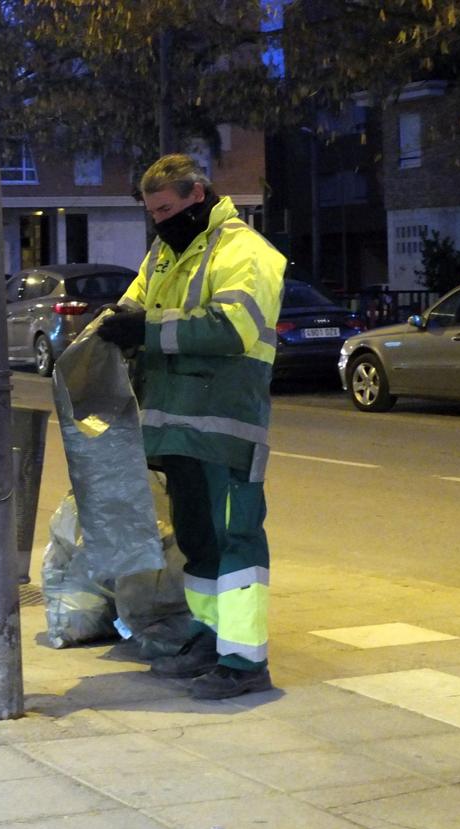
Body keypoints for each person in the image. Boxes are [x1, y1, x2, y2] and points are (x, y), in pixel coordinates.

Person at [97, 154, 286, 699]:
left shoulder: (245, 251)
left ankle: (246, 663)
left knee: (236, 540)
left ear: (197, 197)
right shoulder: (164, 254)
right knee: (200, 543)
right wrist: (113, 323)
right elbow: (133, 307)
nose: (158, 220)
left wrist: (147, 330)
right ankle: (210, 638)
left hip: (227, 425)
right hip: (176, 426)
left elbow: (233, 326)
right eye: (152, 211)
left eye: (166, 209)